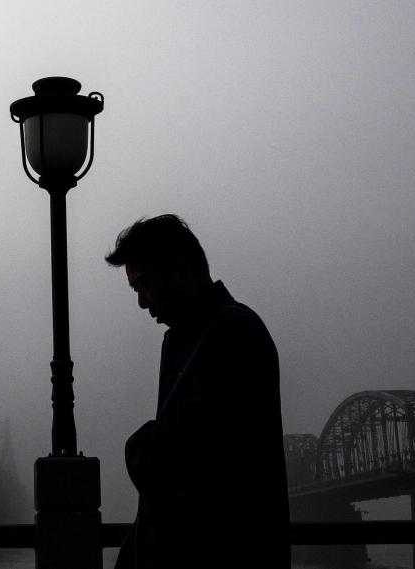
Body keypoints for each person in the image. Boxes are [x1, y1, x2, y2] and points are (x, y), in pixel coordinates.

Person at [106, 214, 289, 567]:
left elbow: (188, 463)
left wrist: (139, 448)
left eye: (143, 285)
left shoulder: (231, 332)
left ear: (181, 270)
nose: (143, 303)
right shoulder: (195, 336)